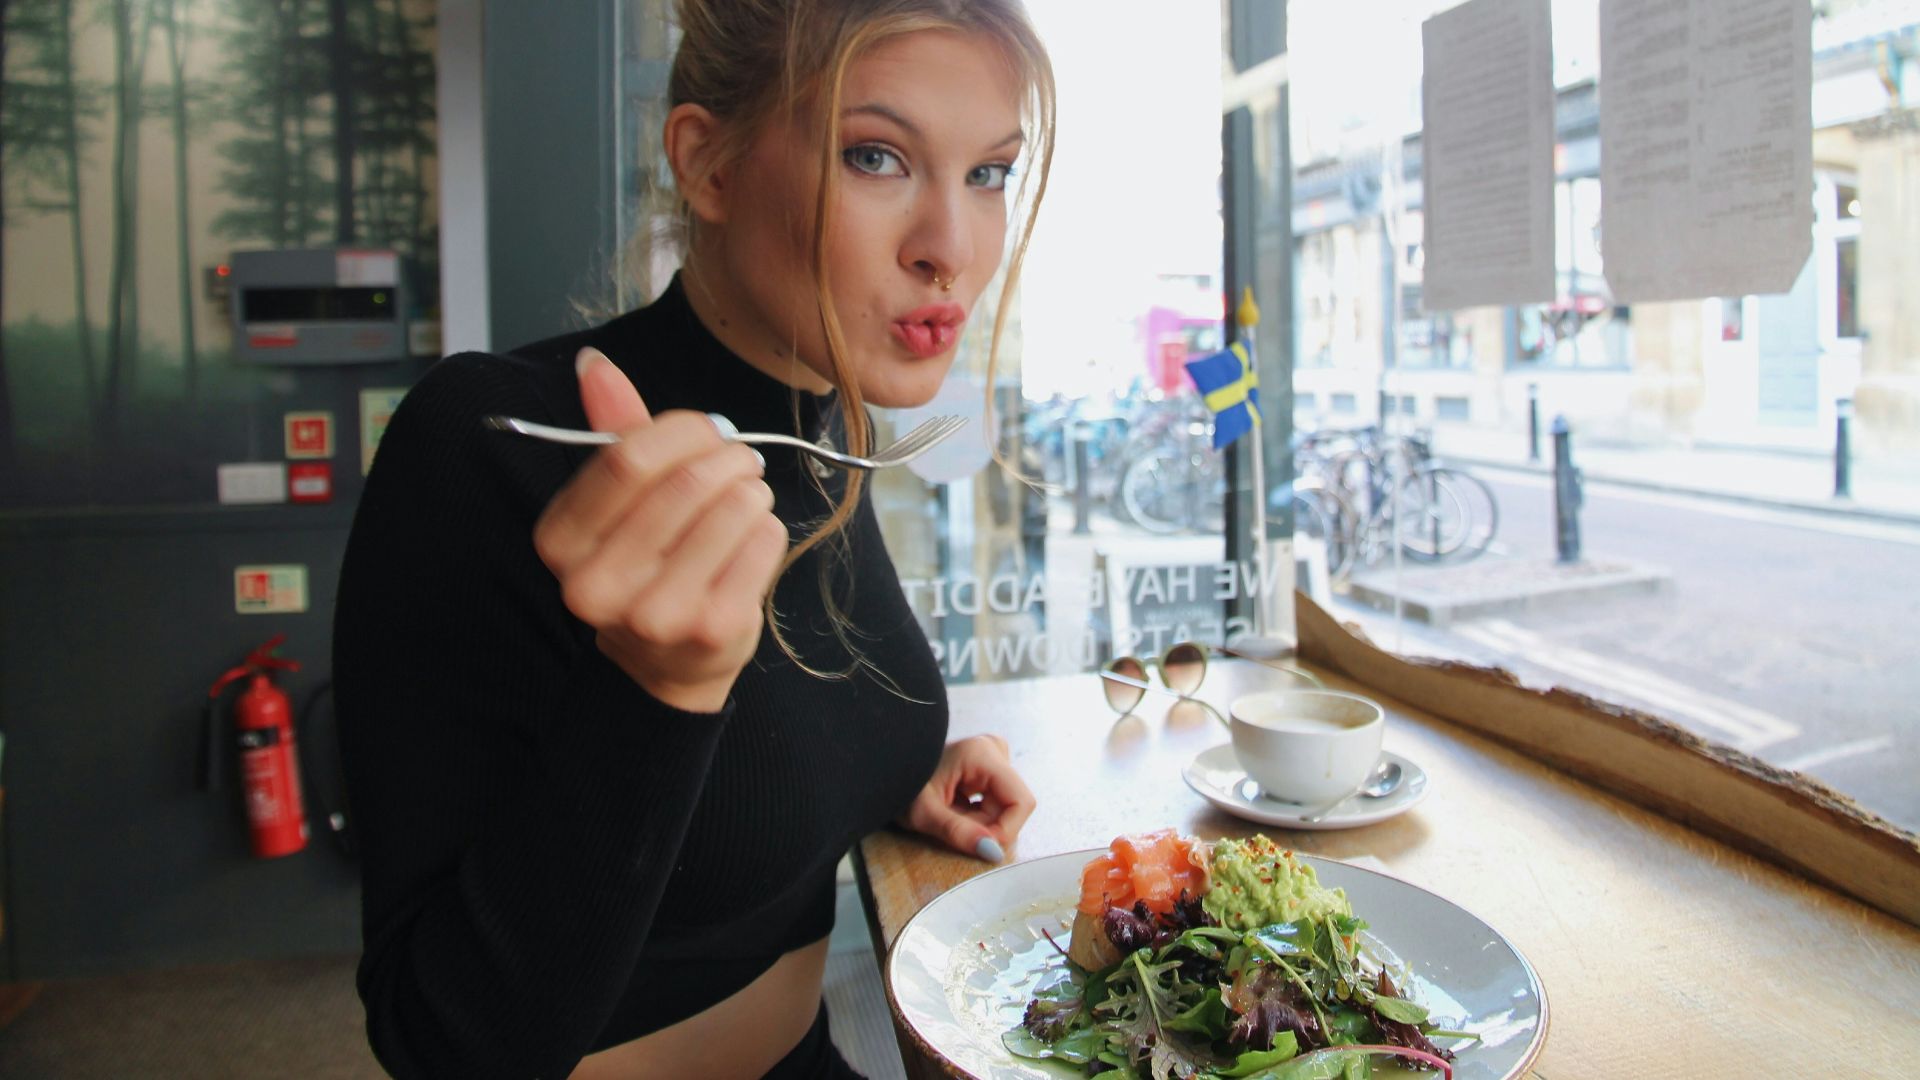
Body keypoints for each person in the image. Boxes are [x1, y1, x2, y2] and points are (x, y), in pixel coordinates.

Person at [332, 1, 1056, 1077]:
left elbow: (742, 775)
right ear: (708, 164)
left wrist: (888, 769)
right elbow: (439, 1040)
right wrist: (654, 687)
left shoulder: (826, 424)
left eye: (990, 173)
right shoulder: (491, 441)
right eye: (876, 157)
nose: (952, 251)